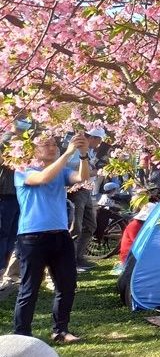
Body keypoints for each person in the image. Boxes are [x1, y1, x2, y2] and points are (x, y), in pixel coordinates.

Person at [13, 134, 90, 342]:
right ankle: (21, 334)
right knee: (29, 288)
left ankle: (60, 330)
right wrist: (67, 153)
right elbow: (44, 178)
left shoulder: (62, 171)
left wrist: (83, 154)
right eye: (45, 145)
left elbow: (82, 177)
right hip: (32, 237)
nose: (51, 147)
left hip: (60, 235)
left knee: (67, 285)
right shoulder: (22, 171)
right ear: (34, 150)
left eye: (54, 144)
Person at [66, 127, 104, 271]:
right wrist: (90, 170)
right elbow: (68, 166)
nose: (99, 143)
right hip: (76, 189)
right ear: (93, 138)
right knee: (75, 226)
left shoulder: (91, 151)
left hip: (87, 189)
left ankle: (79, 257)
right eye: (99, 140)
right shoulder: (76, 149)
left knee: (90, 225)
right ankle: (69, 260)